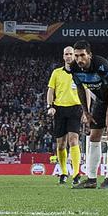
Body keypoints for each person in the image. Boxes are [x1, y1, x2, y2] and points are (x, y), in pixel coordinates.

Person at [69, 40, 108, 190]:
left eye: (82, 55)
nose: (79, 59)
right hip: (100, 100)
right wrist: (86, 112)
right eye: (76, 56)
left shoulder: (101, 65)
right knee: (94, 136)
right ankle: (91, 179)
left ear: (89, 55)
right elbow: (80, 89)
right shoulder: (74, 68)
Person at [45, 45, 83, 184]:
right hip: (60, 109)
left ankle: (76, 173)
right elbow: (50, 90)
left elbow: (86, 92)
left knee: (73, 140)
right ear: (63, 56)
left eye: (71, 54)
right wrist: (50, 106)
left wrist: (87, 111)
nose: (68, 56)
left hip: (75, 108)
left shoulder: (81, 73)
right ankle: (63, 172)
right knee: (61, 144)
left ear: (75, 56)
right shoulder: (56, 73)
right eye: (66, 54)